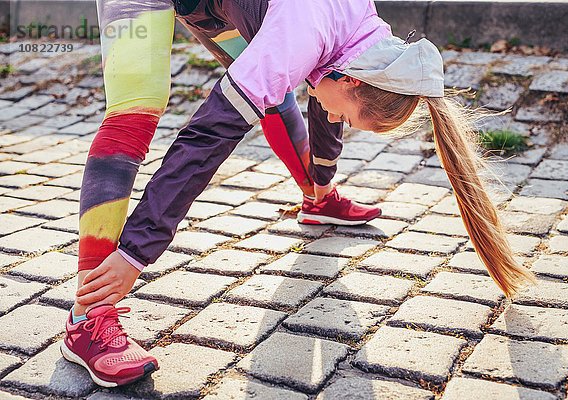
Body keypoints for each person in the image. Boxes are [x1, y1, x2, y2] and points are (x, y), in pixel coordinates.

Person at [61, 0, 535, 387]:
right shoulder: (311, 36)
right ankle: (90, 315)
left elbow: (324, 100)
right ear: (352, 80)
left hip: (218, 7)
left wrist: (323, 186)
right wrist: (135, 253)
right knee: (134, 113)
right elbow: (207, 137)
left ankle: (319, 200)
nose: (343, 125)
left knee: (275, 89)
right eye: (352, 119)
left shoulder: (361, 35)